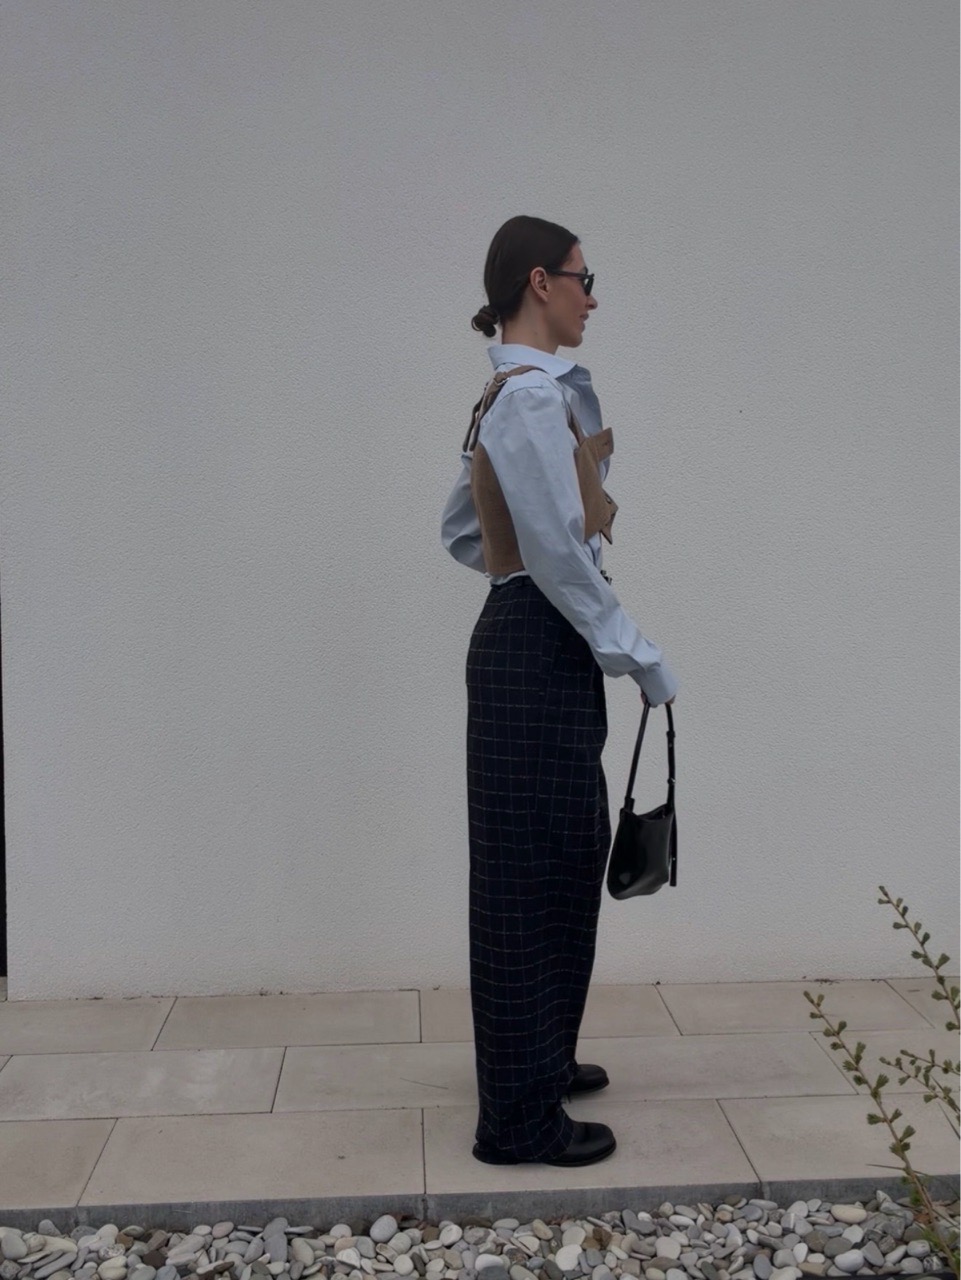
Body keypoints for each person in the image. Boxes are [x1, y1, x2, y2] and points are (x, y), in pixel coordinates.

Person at [441, 215, 678, 1168]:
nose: (593, 297)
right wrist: (632, 649)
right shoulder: (531, 398)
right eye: (584, 278)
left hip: (525, 642)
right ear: (540, 281)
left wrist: (521, 576)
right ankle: (517, 1120)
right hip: (539, 646)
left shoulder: (509, 393)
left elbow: (465, 532)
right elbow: (550, 549)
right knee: (530, 876)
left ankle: (537, 1059)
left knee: (552, 859)